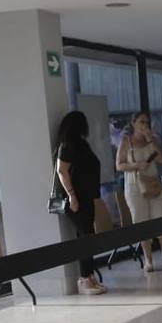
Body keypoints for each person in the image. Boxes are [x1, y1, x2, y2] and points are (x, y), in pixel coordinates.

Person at [116, 111, 162, 272]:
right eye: (141, 122)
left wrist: (150, 138)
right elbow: (119, 165)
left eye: (147, 122)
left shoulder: (153, 140)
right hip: (134, 185)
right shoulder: (126, 142)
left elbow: (161, 157)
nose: (145, 125)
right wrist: (136, 165)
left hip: (153, 182)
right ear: (133, 123)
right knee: (141, 220)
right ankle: (148, 259)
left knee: (161, 217)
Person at [53, 111, 105, 296]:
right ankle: (84, 278)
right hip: (76, 199)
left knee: (87, 234)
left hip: (86, 197)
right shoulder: (67, 146)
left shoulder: (81, 145)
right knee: (86, 235)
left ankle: (89, 276)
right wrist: (72, 196)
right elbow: (61, 171)